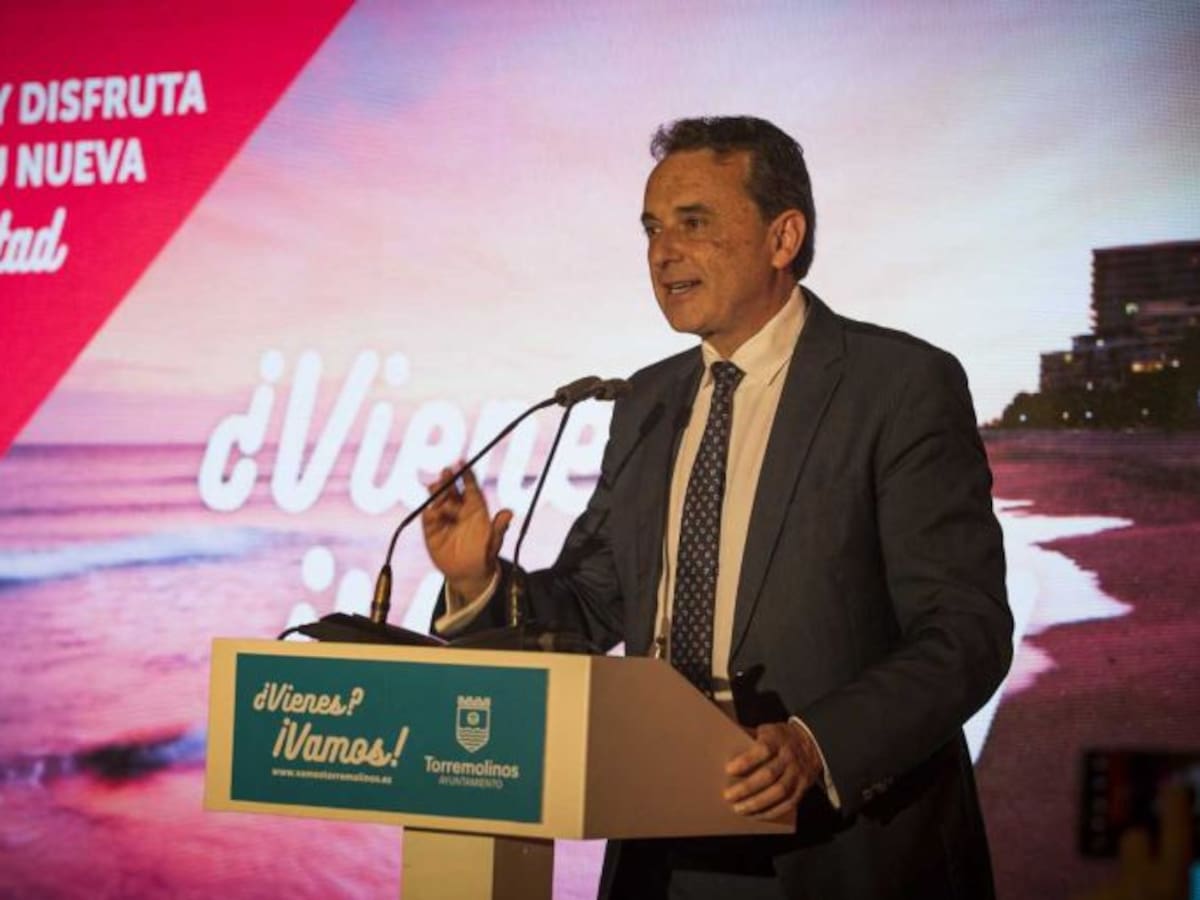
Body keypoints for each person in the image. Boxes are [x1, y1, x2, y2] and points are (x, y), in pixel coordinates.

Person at [423, 116, 1012, 900]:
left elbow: (965, 632)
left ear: (783, 237)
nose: (663, 253)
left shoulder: (897, 386)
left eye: (694, 223)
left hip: (839, 844)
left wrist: (815, 745)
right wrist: (478, 583)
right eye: (652, 229)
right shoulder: (647, 402)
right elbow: (595, 604)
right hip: (661, 840)